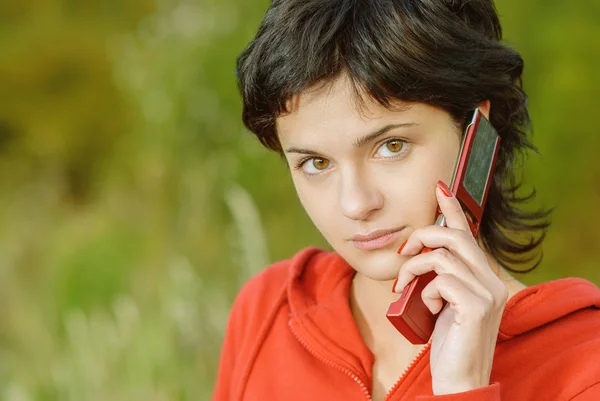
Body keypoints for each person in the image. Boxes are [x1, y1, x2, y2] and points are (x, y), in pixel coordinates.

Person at [212, 0, 600, 399]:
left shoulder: (584, 369)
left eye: (391, 146)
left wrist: (461, 390)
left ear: (476, 132)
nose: (355, 204)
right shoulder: (269, 313)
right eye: (316, 162)